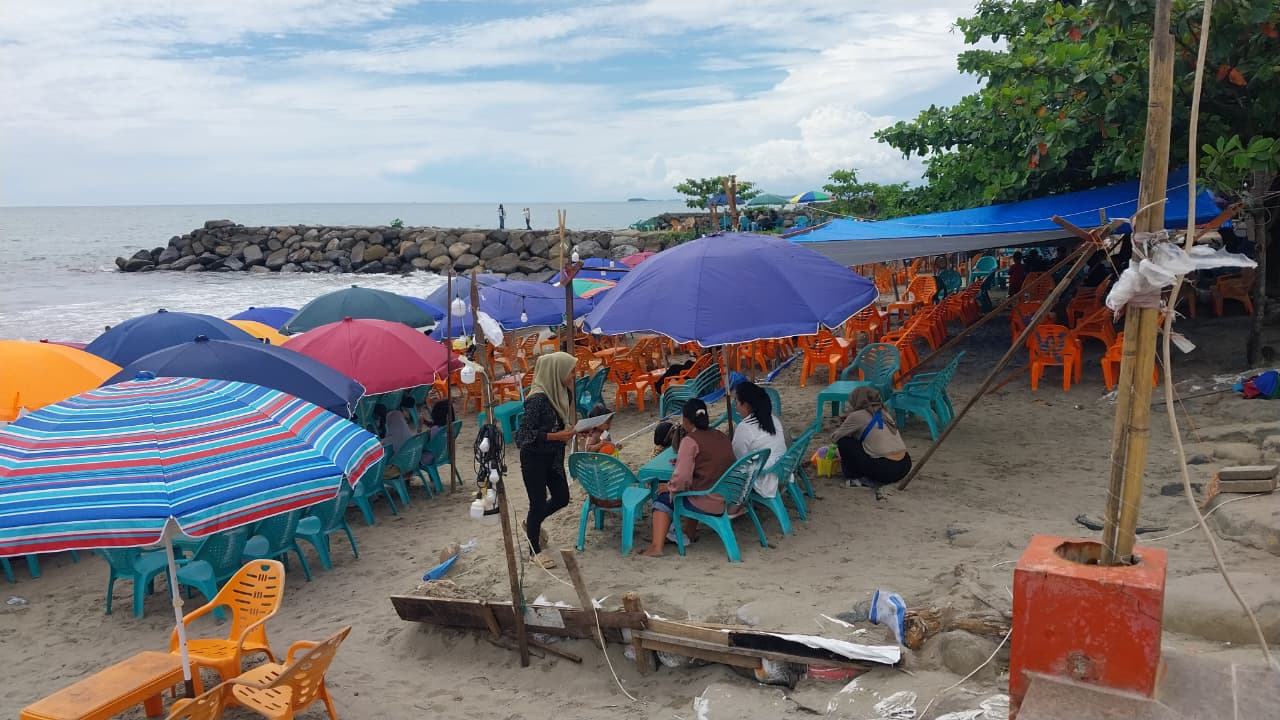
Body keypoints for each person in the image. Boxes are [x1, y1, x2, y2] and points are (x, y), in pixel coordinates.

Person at [642, 399, 736, 557]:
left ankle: (656, 547)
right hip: (726, 494)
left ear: (685, 420)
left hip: (707, 498)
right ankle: (689, 533)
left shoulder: (690, 441)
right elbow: (710, 462)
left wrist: (670, 487)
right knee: (692, 485)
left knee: (663, 496)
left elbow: (682, 479)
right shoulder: (719, 435)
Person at [513, 351, 578, 569]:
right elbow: (522, 436)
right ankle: (534, 551)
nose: (573, 376)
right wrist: (557, 436)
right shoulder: (537, 399)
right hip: (534, 459)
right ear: (556, 371)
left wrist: (573, 431)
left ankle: (533, 521)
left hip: (553, 456)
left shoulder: (562, 392)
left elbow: (558, 424)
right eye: (571, 371)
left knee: (561, 498)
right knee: (537, 503)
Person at [831, 387, 911, 487]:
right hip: (905, 465)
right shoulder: (884, 412)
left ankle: (855, 479)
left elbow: (835, 437)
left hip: (886, 470)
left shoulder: (857, 416)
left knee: (844, 442)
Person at [730, 382, 787, 498]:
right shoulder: (772, 418)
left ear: (746, 405)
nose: (735, 405)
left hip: (764, 481)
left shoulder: (745, 428)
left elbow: (737, 460)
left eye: (736, 401)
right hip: (783, 472)